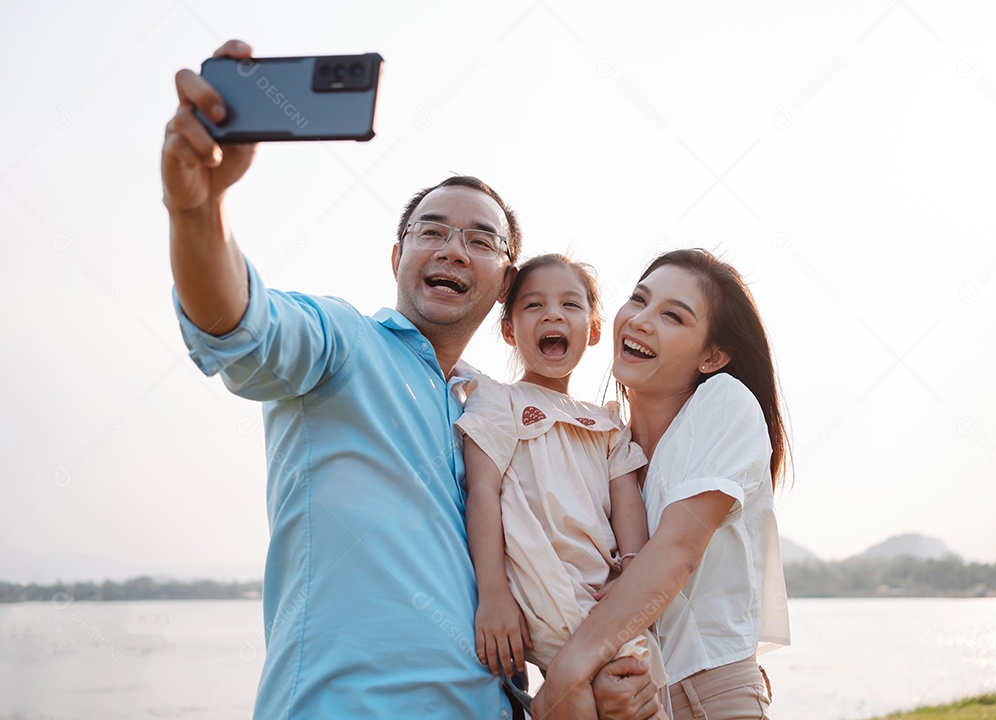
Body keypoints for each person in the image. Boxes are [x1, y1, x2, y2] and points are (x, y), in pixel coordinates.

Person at [163, 39, 662, 720]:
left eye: (480, 241)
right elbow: (239, 325)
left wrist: (581, 681)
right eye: (433, 232)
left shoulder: (503, 410)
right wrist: (197, 210)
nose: (454, 248)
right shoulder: (342, 345)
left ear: (504, 285)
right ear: (399, 256)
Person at [531, 249, 792, 720]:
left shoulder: (723, 403)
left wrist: (566, 675)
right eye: (638, 300)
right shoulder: (606, 445)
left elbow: (677, 551)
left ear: (712, 356)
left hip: (710, 696)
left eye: (673, 316)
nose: (641, 321)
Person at [456, 255, 667, 703]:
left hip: (604, 594)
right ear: (510, 331)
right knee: (586, 694)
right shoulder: (500, 401)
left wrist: (631, 572)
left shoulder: (607, 424)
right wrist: (492, 595)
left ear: (592, 331)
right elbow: (482, 491)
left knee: (633, 694)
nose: (553, 314)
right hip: (540, 588)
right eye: (534, 306)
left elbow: (627, 499)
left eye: (570, 305)